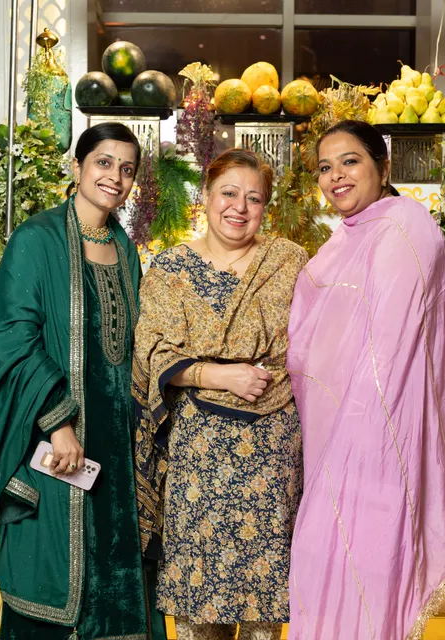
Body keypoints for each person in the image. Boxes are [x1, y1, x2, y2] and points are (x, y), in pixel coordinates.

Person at [0, 122, 165, 640]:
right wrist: (59, 425)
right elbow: (12, 339)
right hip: (57, 437)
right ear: (78, 166)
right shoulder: (36, 239)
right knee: (54, 570)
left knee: (117, 578)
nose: (115, 177)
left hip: (118, 448)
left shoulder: (124, 248)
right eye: (104, 163)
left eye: (127, 169)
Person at [286, 120, 445, 640]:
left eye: (350, 161)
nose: (336, 176)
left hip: (377, 444)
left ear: (383, 167)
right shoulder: (346, 238)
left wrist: (356, 451)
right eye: (325, 167)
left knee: (362, 578)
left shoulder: (403, 227)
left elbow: (387, 352)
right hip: (335, 438)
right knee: (326, 571)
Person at [132, 149, 306, 640]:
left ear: (266, 206)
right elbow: (152, 352)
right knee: (198, 595)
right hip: (200, 448)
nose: (239, 207)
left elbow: (319, 341)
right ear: (206, 196)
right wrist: (220, 376)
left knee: (263, 600)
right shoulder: (171, 267)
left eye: (254, 198)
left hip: (272, 447)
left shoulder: (288, 261)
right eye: (228, 193)